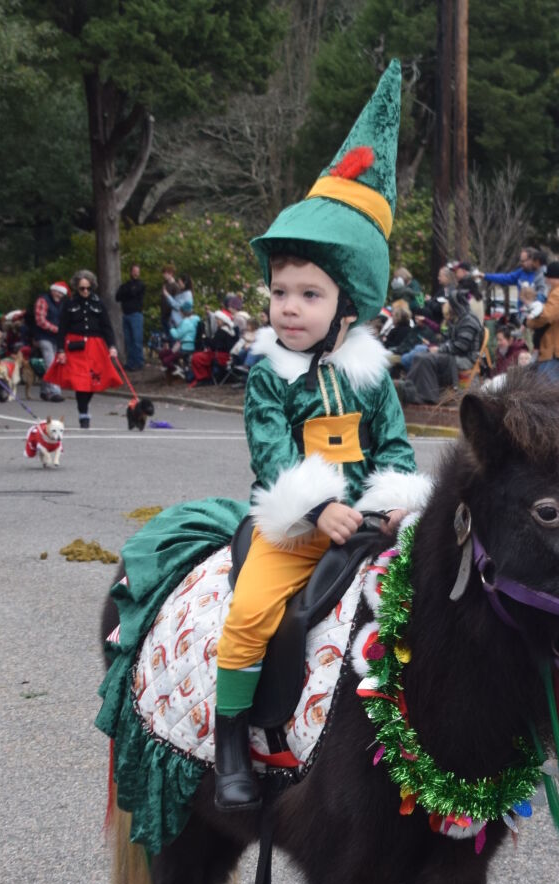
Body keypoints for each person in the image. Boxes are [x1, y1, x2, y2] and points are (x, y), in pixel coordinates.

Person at [200, 61, 428, 809]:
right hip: (296, 524)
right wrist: (314, 506)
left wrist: (393, 498)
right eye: (278, 292)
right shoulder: (268, 374)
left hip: (369, 521)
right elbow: (270, 452)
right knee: (253, 612)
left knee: (427, 603)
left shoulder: (371, 374)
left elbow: (392, 446)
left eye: (308, 294)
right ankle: (231, 740)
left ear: (346, 306)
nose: (288, 307)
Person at [47, 268, 122, 427]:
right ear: (76, 287)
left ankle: (84, 406)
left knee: (93, 381)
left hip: (96, 346)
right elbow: (62, 328)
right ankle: (83, 414)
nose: (85, 291)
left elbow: (107, 327)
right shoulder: (69, 303)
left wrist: (112, 346)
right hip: (75, 346)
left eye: (88, 288)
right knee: (80, 381)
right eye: (82, 288)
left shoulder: (98, 303)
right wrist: (60, 350)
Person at [395, 291, 483, 404]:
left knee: (425, 359)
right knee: (419, 356)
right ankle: (411, 391)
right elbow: (449, 339)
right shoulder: (460, 319)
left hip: (464, 359)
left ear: (454, 305)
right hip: (453, 355)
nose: (446, 305)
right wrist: (435, 345)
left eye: (449, 303)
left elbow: (461, 347)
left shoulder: (469, 321)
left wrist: (439, 349)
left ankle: (428, 396)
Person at [31, 280, 68, 401]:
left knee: (53, 362)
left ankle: (45, 390)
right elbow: (40, 320)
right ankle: (55, 392)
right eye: (57, 292)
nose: (59, 295)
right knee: (51, 363)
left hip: (57, 338)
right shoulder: (43, 300)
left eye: (61, 293)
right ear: (52, 290)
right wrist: (56, 329)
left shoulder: (63, 304)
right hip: (43, 336)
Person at [114, 263, 146, 370]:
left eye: (137, 271)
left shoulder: (141, 284)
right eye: (134, 271)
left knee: (137, 339)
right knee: (128, 340)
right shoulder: (125, 285)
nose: (136, 273)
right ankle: (131, 362)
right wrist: (127, 291)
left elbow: (134, 292)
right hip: (126, 314)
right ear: (131, 272)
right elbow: (118, 296)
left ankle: (139, 362)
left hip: (136, 314)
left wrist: (127, 292)